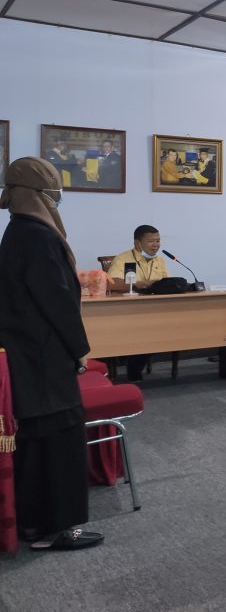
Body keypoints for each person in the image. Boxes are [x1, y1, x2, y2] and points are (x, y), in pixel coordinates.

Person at [0, 157, 103, 550]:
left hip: (28, 356)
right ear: (35, 195)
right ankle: (57, 529)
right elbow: (56, 301)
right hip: (44, 358)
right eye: (52, 193)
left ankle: (34, 525)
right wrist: (80, 349)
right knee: (58, 442)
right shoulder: (36, 236)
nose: (56, 201)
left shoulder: (18, 231)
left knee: (39, 444)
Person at [108, 225, 170, 381]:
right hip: (128, 311)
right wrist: (139, 284)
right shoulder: (123, 259)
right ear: (137, 243)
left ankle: (130, 359)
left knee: (163, 329)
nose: (156, 245)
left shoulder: (160, 260)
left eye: (158, 241)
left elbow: (165, 283)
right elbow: (112, 283)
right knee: (147, 332)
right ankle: (133, 367)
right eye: (151, 241)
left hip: (154, 310)